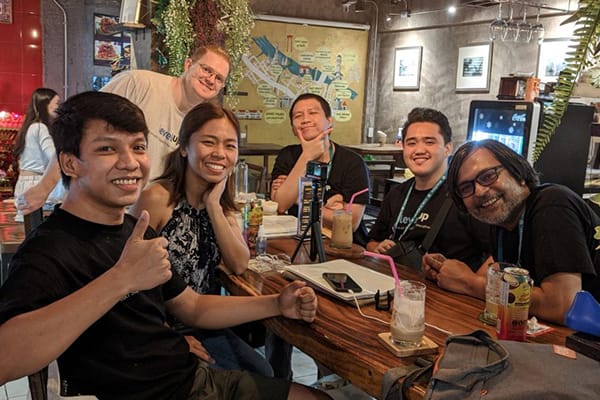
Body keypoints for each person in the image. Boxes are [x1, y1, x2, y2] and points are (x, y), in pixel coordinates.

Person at [0, 91, 330, 400]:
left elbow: (193, 306)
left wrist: (278, 304)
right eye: (107, 149)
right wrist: (120, 280)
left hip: (188, 377)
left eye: (138, 147)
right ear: (70, 163)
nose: (130, 162)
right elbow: (6, 359)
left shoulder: (129, 229)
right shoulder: (50, 248)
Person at [129, 102, 272, 376]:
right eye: (209, 142)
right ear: (184, 147)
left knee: (262, 371)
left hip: (208, 322)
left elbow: (239, 263)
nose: (220, 153)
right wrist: (169, 337)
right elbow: (130, 286)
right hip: (158, 329)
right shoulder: (158, 198)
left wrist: (214, 206)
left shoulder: (221, 203)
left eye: (230, 145)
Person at [16, 45, 230, 214]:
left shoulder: (198, 121)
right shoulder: (139, 84)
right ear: (188, 64)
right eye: (206, 69)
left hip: (142, 218)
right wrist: (44, 188)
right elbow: (77, 127)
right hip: (95, 208)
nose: (210, 79)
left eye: (218, 78)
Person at [438, 138, 600, 325]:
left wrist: (469, 283)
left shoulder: (552, 205)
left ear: (519, 173)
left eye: (488, 176)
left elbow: (562, 306)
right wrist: (444, 272)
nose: (480, 191)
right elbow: (495, 274)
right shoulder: (501, 222)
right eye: (466, 188)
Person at [366, 107, 491, 271]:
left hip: (446, 293)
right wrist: (378, 248)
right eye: (411, 143)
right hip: (397, 285)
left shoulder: (467, 195)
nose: (419, 150)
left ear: (448, 148)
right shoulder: (397, 193)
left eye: (429, 142)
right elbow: (371, 242)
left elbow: (495, 256)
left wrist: (471, 283)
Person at [270, 93, 370, 246]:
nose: (305, 120)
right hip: (295, 240)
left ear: (329, 121)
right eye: (298, 116)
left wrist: (298, 199)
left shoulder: (353, 163)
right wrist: (307, 156)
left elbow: (350, 223)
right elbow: (281, 205)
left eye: (313, 113)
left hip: (342, 247)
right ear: (293, 129)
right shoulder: (287, 155)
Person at [12, 88, 65, 221]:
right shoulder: (40, 128)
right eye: (57, 103)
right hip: (36, 183)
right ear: (45, 104)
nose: (58, 107)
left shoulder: (30, 127)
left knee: (29, 226)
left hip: (24, 182)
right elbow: (53, 155)